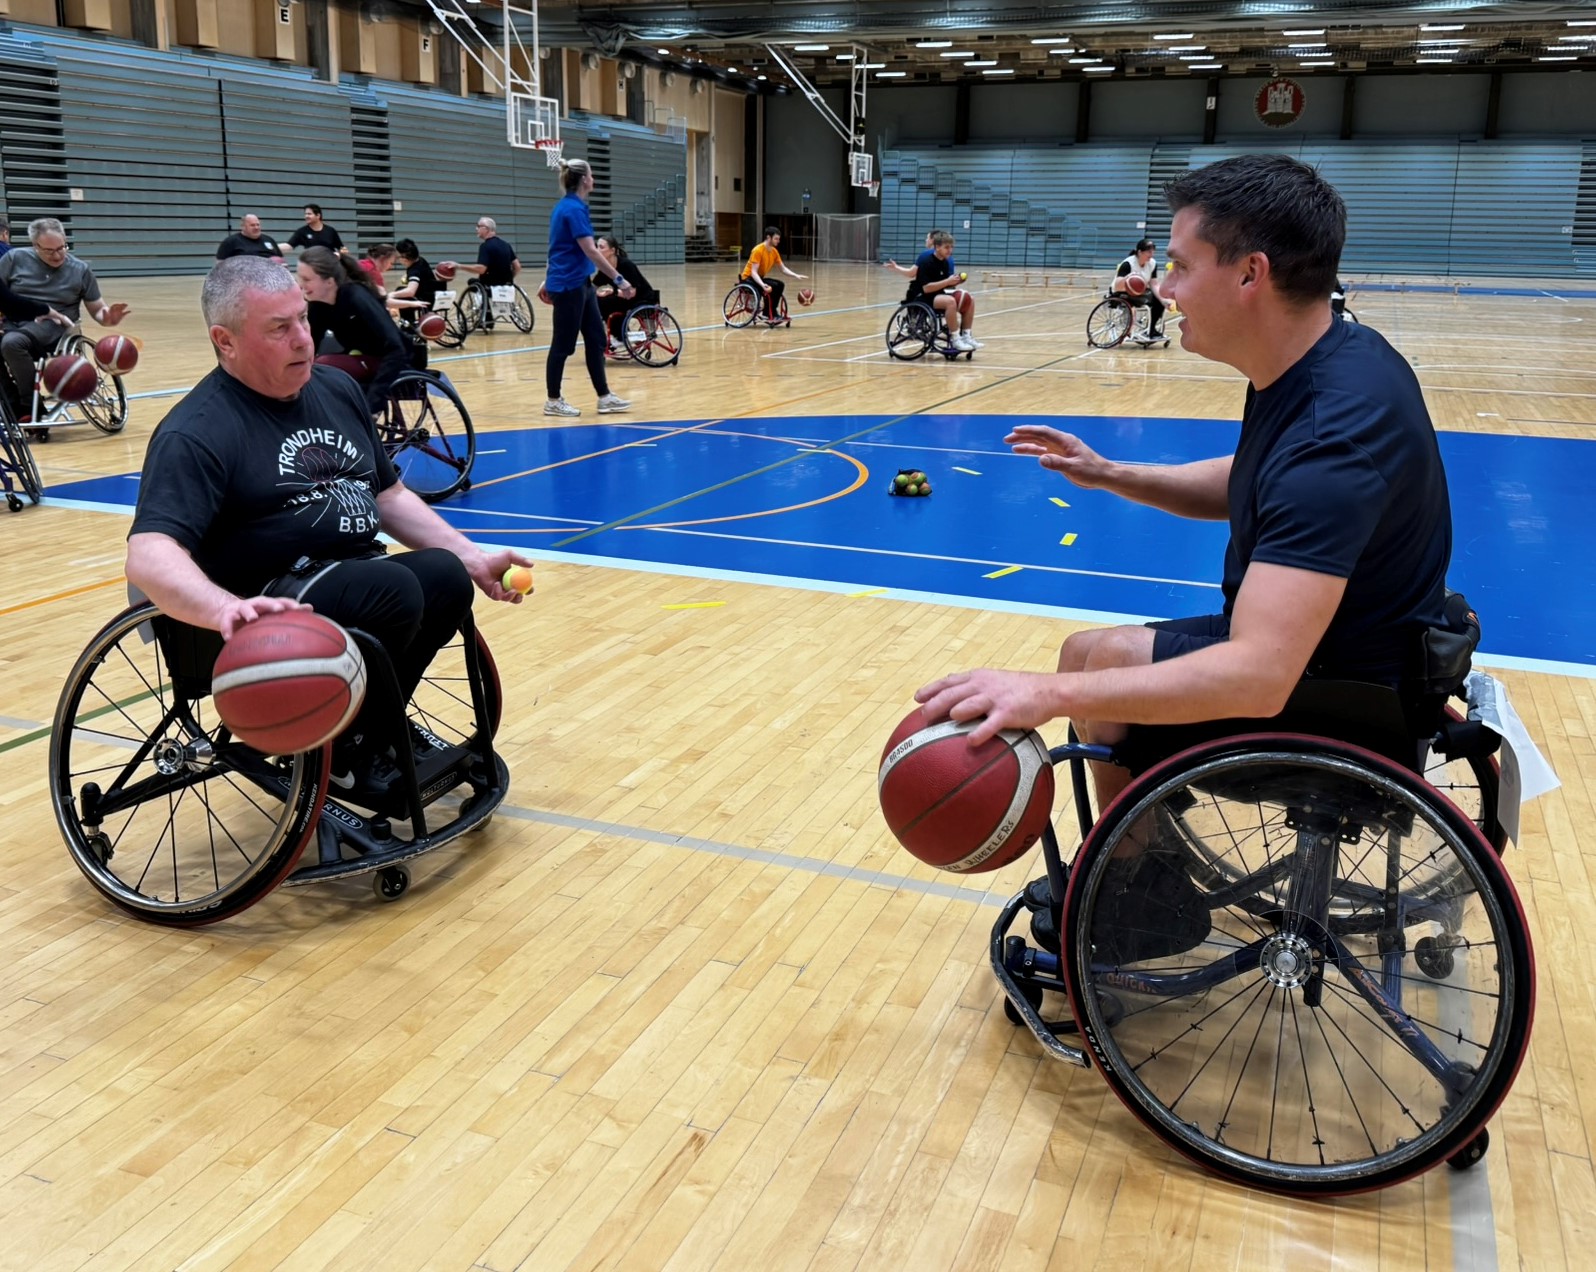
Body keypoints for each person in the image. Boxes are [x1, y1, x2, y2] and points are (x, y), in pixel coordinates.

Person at [917, 153, 1453, 806]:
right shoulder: (1330, 354)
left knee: (1101, 665)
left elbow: (1258, 676)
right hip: (1335, 656)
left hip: (1349, 695)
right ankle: (1134, 868)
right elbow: (1256, 479)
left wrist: (1040, 694)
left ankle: (1145, 885)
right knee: (1083, 650)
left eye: (1181, 266)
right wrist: (1110, 473)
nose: (1163, 289)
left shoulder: (1331, 431)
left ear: (1251, 273)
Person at [124, 255, 534, 802]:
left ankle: (364, 732)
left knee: (444, 577)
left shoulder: (335, 391)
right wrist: (222, 608)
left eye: (303, 318)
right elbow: (149, 553)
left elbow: (388, 495)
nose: (304, 340)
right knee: (392, 589)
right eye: (279, 328)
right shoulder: (195, 432)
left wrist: (470, 556)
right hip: (264, 601)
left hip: (347, 575)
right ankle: (346, 749)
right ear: (225, 341)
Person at [0, 217, 131, 422]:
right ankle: (11, 402)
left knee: (11, 343)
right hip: (15, 322)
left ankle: (28, 405)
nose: (58, 255)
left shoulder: (80, 269)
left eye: (62, 247)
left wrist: (107, 318)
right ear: (35, 246)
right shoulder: (13, 259)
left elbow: (97, 308)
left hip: (56, 328)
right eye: (50, 251)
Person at [542, 158, 633, 418]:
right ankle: (553, 400)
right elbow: (591, 251)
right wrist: (620, 280)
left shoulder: (573, 207)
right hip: (569, 285)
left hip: (581, 283)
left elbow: (559, 248)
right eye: (591, 174)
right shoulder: (571, 209)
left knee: (595, 339)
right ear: (584, 180)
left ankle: (604, 397)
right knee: (562, 345)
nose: (593, 178)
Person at [295, 245, 410, 416]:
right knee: (310, 367)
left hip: (394, 358)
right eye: (300, 278)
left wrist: (374, 400)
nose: (300, 285)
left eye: (307, 279)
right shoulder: (319, 306)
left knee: (324, 365)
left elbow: (396, 347)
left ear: (329, 281)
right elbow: (310, 345)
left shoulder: (356, 296)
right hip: (361, 356)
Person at [441, 217, 520, 332]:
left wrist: (459, 266)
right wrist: (509, 279)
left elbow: (481, 269)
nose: (476, 229)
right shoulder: (506, 245)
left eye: (478, 226)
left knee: (473, 283)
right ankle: (488, 315)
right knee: (481, 284)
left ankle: (486, 316)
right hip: (507, 285)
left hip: (490, 287)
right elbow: (517, 267)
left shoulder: (485, 246)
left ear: (486, 229)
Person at [907, 231, 978, 352]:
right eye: (946, 247)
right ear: (937, 247)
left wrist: (956, 282)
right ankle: (956, 339)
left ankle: (966, 335)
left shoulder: (945, 262)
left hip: (938, 294)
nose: (950, 250)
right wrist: (947, 281)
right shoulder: (926, 261)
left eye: (951, 247)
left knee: (969, 298)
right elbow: (927, 288)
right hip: (924, 297)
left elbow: (945, 285)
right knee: (950, 301)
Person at [592, 234, 658, 352]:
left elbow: (632, 292)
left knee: (605, 302)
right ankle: (618, 334)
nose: (597, 250)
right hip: (623, 299)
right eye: (596, 247)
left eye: (601, 247)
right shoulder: (605, 268)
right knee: (595, 300)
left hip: (641, 299)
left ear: (612, 251)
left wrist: (613, 292)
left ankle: (620, 337)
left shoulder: (626, 265)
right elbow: (593, 287)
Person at [741, 227, 805, 324]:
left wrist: (795, 275)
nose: (778, 241)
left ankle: (770, 311)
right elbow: (753, 272)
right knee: (773, 286)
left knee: (780, 284)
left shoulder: (774, 252)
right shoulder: (758, 250)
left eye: (778, 239)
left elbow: (783, 268)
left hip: (758, 278)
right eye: (776, 238)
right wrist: (762, 285)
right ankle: (768, 313)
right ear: (768, 237)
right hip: (748, 278)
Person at [1111, 238, 1167, 344]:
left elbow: (1154, 284)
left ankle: (1151, 330)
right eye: (1149, 251)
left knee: (1158, 301)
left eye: (1153, 251)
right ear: (1140, 252)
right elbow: (1117, 285)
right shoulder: (1128, 264)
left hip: (1139, 292)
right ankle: (1130, 328)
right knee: (1140, 300)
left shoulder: (1152, 264)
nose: (1152, 254)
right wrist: (1128, 278)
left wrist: (1163, 299)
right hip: (1121, 292)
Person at [215, 214, 283, 261]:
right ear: (243, 227)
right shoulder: (230, 242)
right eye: (252, 225)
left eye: (258, 225)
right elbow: (220, 265)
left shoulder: (269, 240)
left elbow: (281, 261)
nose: (256, 227)